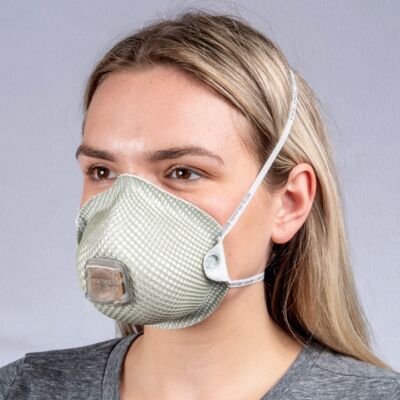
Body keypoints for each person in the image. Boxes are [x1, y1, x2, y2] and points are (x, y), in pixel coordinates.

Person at [1, 9, 399, 400]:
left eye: (183, 172)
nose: (127, 210)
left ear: (289, 204)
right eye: (102, 171)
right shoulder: (21, 388)